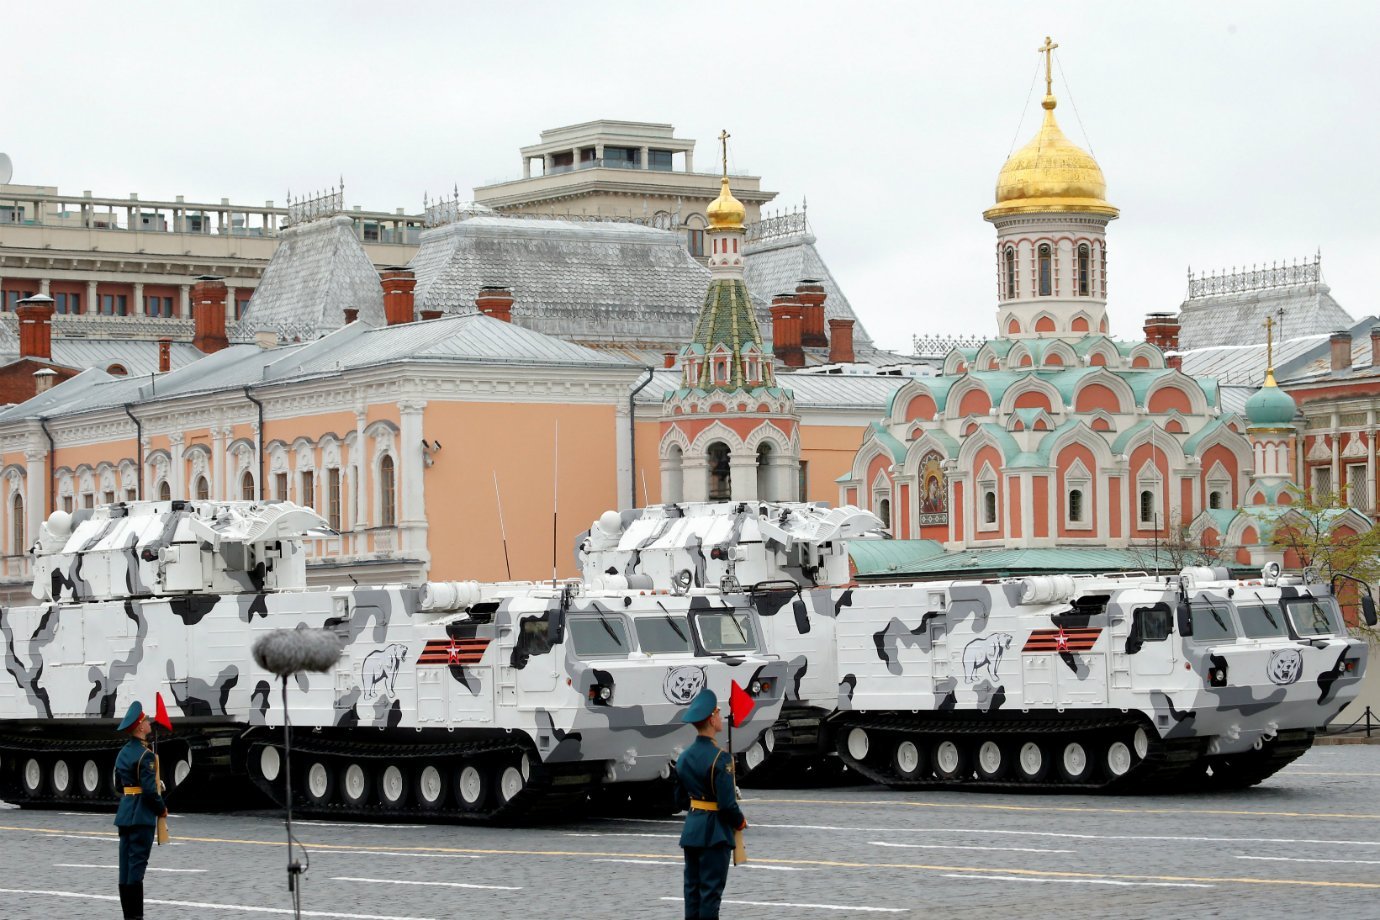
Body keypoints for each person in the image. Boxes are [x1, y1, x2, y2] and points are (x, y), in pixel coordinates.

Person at [674, 688, 745, 920]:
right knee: (710, 895)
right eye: (719, 713)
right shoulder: (721, 757)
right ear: (712, 718)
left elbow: (679, 799)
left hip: (693, 830)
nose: (722, 717)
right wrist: (740, 821)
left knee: (692, 893)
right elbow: (726, 805)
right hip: (715, 834)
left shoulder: (683, 757)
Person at [114, 700, 166, 920]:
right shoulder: (146, 756)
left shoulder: (123, 753)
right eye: (145, 720)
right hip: (142, 816)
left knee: (125, 871)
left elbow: (119, 786)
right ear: (139, 727)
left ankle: (129, 917)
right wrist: (161, 808)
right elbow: (148, 791)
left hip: (125, 815)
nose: (149, 722)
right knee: (137, 871)